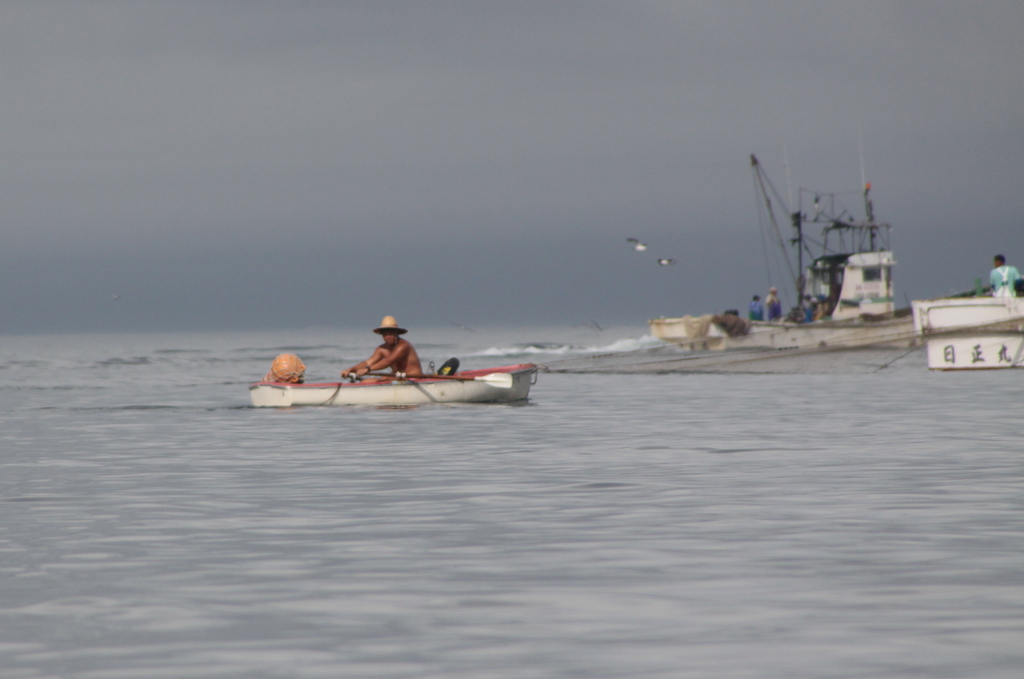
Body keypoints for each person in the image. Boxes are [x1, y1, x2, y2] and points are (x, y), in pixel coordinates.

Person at [342, 316, 424, 379]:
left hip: (413, 378)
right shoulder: (382, 349)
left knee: (382, 379)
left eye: (391, 333)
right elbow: (367, 363)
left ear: (397, 333)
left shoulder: (403, 346)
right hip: (397, 377)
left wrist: (368, 369)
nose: (388, 336)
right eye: (385, 334)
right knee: (367, 381)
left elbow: (388, 362)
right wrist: (351, 369)